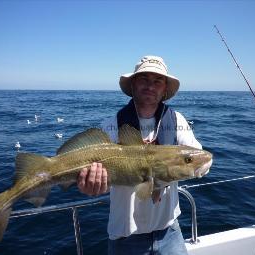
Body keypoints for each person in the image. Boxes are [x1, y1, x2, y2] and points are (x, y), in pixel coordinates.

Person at [77, 56, 205, 254]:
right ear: (133, 84)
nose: (150, 86)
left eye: (157, 81)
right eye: (144, 79)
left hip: (170, 231)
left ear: (164, 89)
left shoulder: (177, 120)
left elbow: (198, 160)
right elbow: (97, 182)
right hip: (125, 237)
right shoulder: (110, 126)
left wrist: (194, 165)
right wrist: (91, 186)